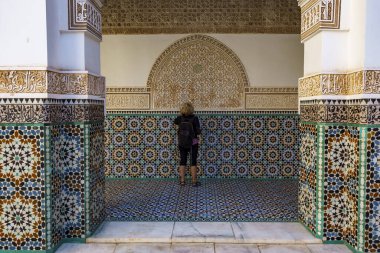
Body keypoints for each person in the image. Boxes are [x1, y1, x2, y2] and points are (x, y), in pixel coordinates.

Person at [174, 102, 201, 187]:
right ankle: (194, 181)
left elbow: (175, 125)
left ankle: (182, 181)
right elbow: (198, 131)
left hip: (182, 141)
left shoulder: (179, 118)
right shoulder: (195, 118)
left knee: (183, 161)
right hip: (194, 141)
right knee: (193, 161)